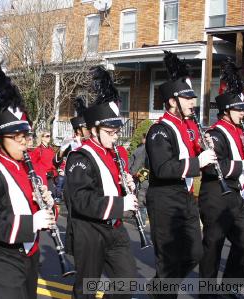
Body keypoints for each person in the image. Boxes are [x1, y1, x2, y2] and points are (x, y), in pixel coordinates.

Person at [0, 64, 56, 299]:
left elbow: (37, 211)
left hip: (29, 253)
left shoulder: (30, 167)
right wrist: (32, 222)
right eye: (16, 137)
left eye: (25, 135)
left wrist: (48, 206)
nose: (24, 142)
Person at [145, 51, 216, 298]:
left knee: (195, 253)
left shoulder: (187, 128)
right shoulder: (159, 130)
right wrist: (198, 161)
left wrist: (205, 147)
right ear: (173, 101)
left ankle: (161, 287)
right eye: (187, 98)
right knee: (168, 259)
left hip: (184, 197)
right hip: (164, 198)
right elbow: (164, 168)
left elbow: (195, 151)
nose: (192, 102)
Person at [64, 66, 139, 299]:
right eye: (110, 131)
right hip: (89, 230)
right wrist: (121, 204)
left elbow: (111, 186)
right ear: (94, 130)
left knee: (126, 284)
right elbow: (81, 200)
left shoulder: (113, 153)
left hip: (114, 229)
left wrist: (127, 184)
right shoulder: (81, 157)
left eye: (117, 131)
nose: (115, 136)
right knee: (86, 289)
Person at [198, 59, 244, 295]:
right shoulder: (215, 133)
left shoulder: (240, 132)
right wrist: (242, 163)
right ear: (227, 111)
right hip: (215, 195)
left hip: (236, 195)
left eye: (243, 108)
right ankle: (207, 291)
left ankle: (230, 287)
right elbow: (212, 167)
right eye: (239, 109)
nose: (243, 113)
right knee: (213, 245)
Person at [53, 96, 90, 202]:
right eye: (86, 128)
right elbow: (55, 162)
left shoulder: (91, 144)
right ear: (79, 130)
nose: (89, 131)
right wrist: (62, 149)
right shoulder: (70, 143)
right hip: (73, 189)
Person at [129, 134, 149, 226]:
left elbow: (135, 166)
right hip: (149, 176)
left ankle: (142, 221)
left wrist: (134, 174)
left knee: (141, 199)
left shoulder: (142, 150)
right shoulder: (152, 148)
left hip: (143, 177)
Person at [30, 130, 57, 196]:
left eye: (50, 136)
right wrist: (42, 172)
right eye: (47, 136)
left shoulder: (51, 149)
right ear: (42, 138)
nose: (49, 138)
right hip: (43, 177)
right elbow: (33, 164)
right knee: (48, 195)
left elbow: (53, 162)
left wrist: (56, 172)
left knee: (53, 194)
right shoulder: (38, 150)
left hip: (52, 175)